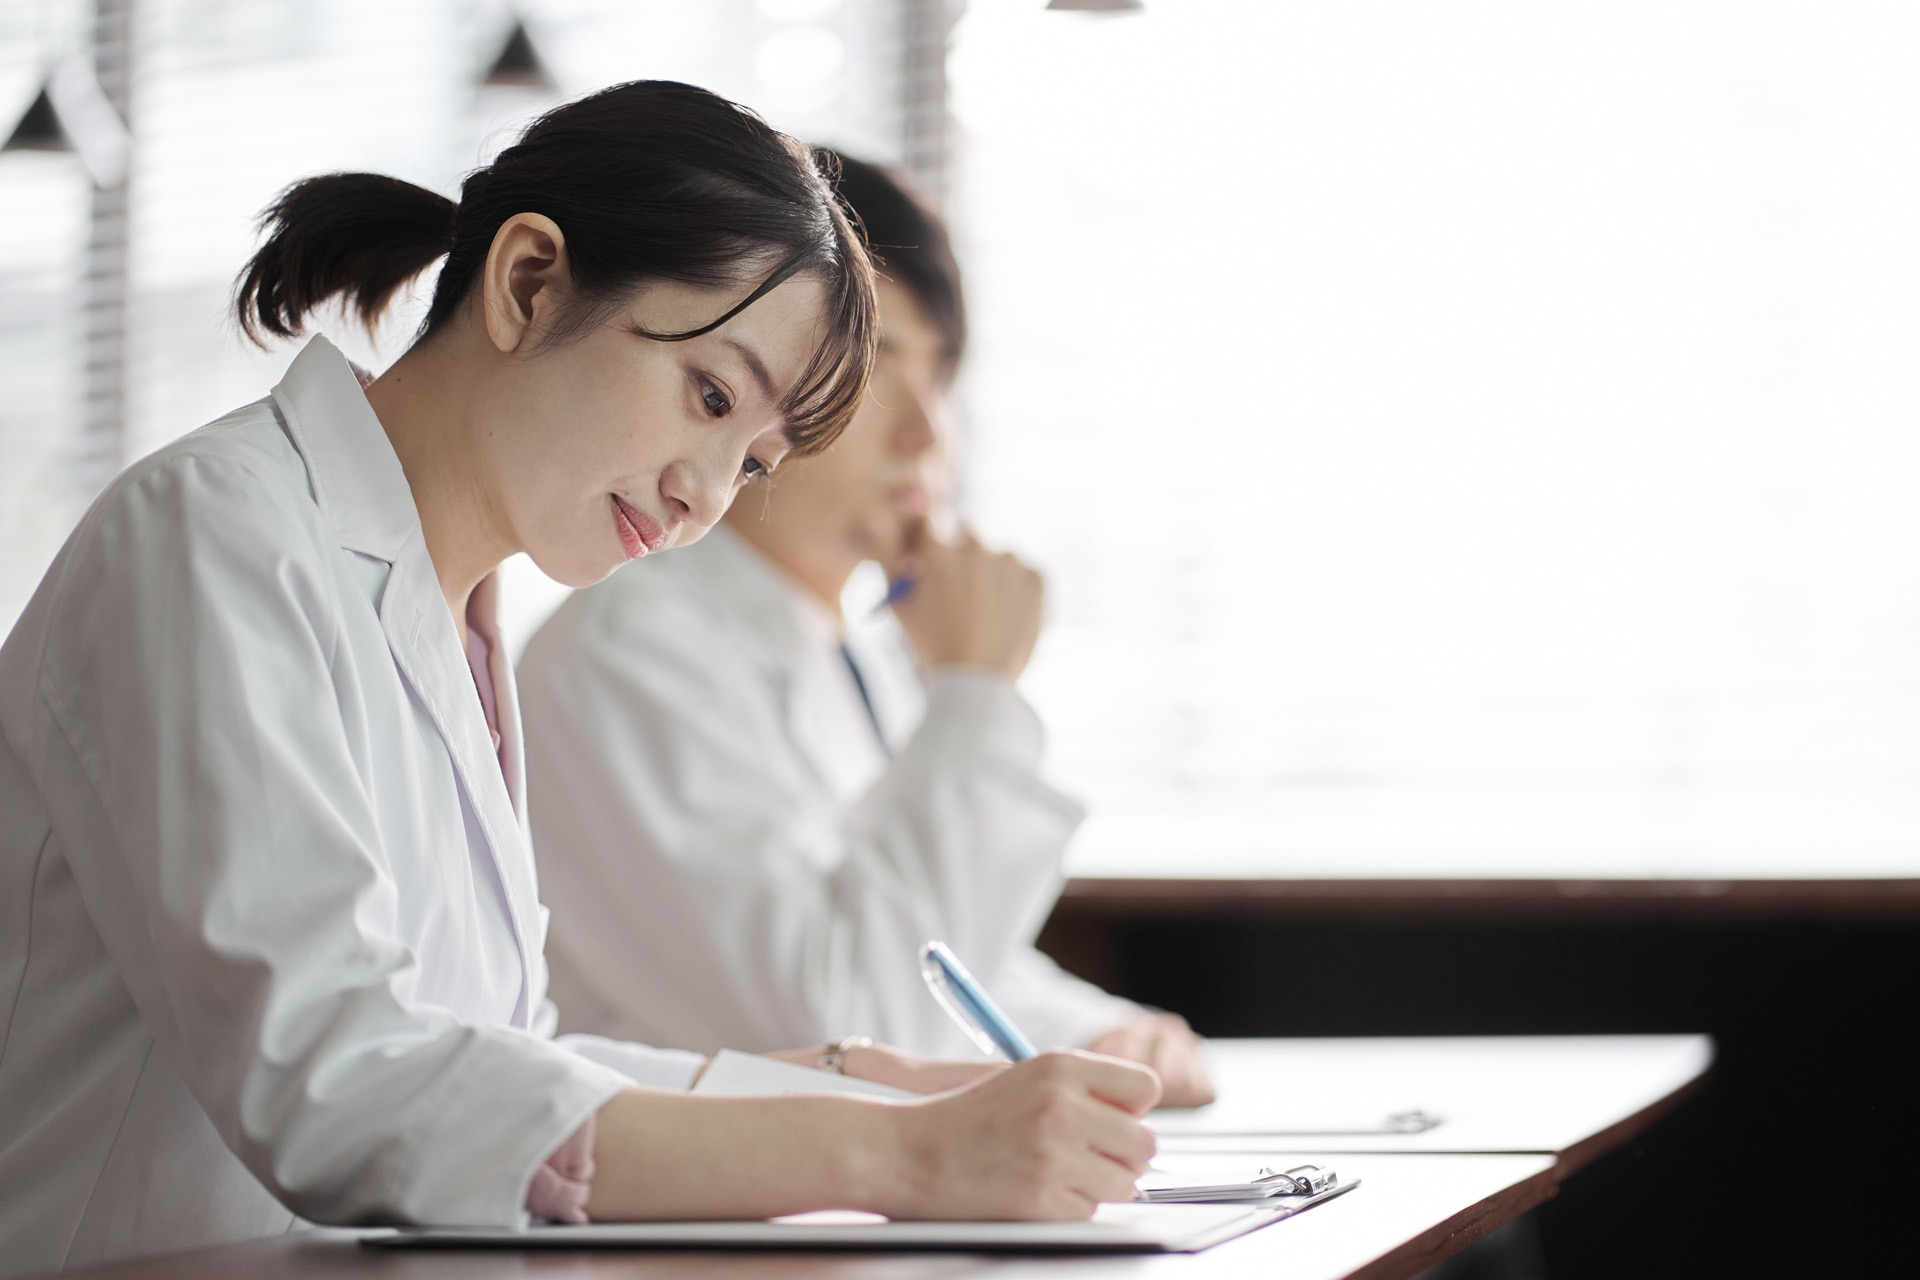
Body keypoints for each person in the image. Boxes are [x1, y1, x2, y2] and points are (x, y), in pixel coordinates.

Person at [0, 84, 1162, 1276]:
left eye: (751, 460)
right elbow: (342, 1078)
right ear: (528, 281)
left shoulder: (455, 614)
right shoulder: (214, 533)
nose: (706, 496)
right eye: (709, 394)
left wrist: (863, 1083)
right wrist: (895, 1160)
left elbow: (502, 1059)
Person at [517, 154, 1214, 1106]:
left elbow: (938, 953)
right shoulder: (627, 649)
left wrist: (1094, 1033)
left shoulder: (847, 647)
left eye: (944, 376)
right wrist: (975, 691)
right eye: (882, 370)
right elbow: (839, 1029)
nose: (926, 434)